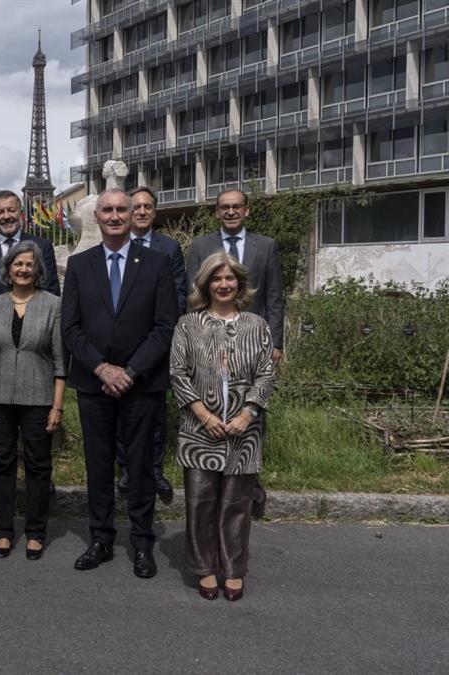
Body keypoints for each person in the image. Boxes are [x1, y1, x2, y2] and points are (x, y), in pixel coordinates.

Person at [61, 189, 177, 578]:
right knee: (98, 465)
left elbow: (165, 327)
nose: (114, 216)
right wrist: (101, 369)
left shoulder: (158, 263)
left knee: (142, 466)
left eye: (121, 210)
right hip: (94, 385)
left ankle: (142, 542)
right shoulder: (79, 265)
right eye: (107, 210)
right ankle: (101, 538)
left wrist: (129, 371)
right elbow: (71, 328)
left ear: (133, 215)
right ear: (96, 216)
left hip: (141, 384)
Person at [170, 252, 276, 601]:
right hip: (200, 428)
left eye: (230, 278)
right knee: (200, 502)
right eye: (217, 278)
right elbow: (178, 373)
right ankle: (204, 568)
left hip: (244, 431)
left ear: (240, 283)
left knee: (236, 504)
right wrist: (204, 414)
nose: (224, 284)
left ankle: (233, 570)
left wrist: (248, 414)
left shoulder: (257, 324)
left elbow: (265, 374)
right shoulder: (188, 324)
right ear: (206, 284)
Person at [185, 188, 285, 517]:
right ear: (216, 212)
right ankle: (213, 476)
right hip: (210, 340)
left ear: (247, 211)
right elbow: (193, 295)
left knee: (250, 410)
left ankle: (248, 480)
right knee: (213, 404)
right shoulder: (200, 247)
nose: (230, 212)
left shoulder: (265, 246)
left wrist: (276, 343)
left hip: (254, 343)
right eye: (224, 207)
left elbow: (274, 297)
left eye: (236, 207)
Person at [0, 240, 65, 560]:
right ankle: (4, 532)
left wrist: (57, 406)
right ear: (8, 270)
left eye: (30, 264)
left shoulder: (53, 304)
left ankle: (36, 532)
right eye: (18, 264)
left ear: (38, 270)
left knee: (39, 467)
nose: (24, 269)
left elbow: (60, 361)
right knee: (1, 466)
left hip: (39, 398)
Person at [0, 190, 60, 493]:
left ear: (21, 212)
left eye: (11, 210)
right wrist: (0, 321)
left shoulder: (42, 246)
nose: (6, 216)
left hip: (36, 344)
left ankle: (36, 477)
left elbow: (52, 292)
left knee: (34, 424)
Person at [115, 186, 189, 502]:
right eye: (137, 206)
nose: (142, 211)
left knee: (155, 411)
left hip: (157, 341)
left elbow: (180, 293)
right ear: (129, 212)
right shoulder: (117, 245)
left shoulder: (168, 248)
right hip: (120, 342)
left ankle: (154, 470)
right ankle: (127, 470)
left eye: (148, 207)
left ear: (154, 212)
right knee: (120, 410)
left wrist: (161, 327)